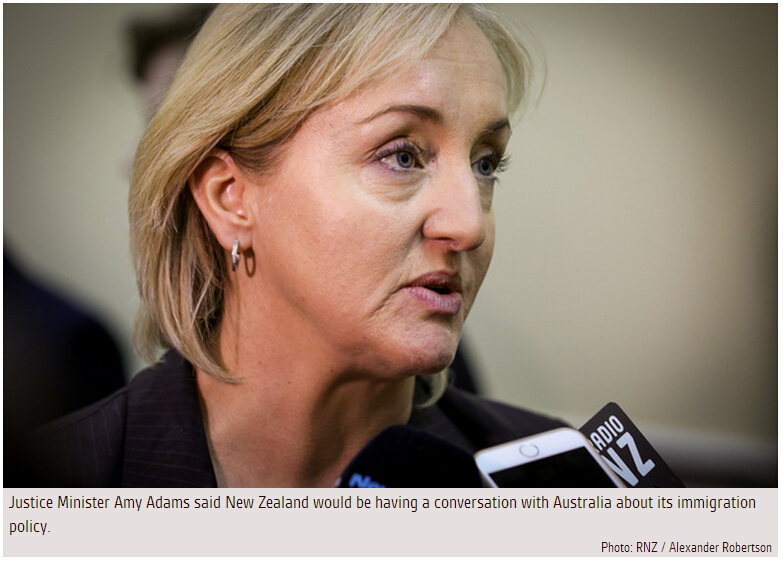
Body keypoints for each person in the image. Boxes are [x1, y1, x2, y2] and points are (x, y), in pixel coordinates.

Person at [30, 4, 564, 487]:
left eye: (485, 163)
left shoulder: (553, 483)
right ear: (229, 198)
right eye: (401, 156)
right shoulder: (50, 486)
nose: (469, 225)